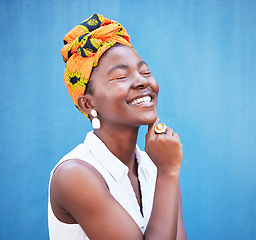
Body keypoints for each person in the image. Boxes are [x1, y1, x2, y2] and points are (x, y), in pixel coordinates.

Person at [48, 14, 187, 240]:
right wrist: (169, 174)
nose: (142, 82)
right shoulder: (74, 175)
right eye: (121, 76)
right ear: (88, 103)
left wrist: (166, 172)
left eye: (145, 72)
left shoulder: (155, 167)